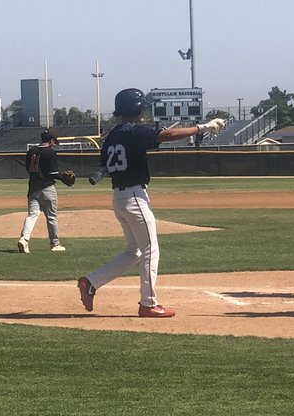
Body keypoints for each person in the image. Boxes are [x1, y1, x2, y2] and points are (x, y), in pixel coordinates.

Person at [76, 87, 205, 318]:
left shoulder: (112, 135)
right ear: (136, 108)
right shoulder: (136, 131)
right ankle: (148, 303)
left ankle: (91, 282)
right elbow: (166, 136)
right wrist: (200, 128)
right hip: (135, 197)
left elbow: (107, 164)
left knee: (134, 251)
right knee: (150, 250)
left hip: (119, 197)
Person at [17, 129, 69, 253]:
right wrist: (62, 177)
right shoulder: (50, 153)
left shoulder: (31, 151)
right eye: (54, 141)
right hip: (47, 188)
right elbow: (52, 173)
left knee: (32, 214)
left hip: (33, 187)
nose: (54, 144)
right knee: (51, 216)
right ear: (51, 140)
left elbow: (28, 169)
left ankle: (24, 239)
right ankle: (55, 244)